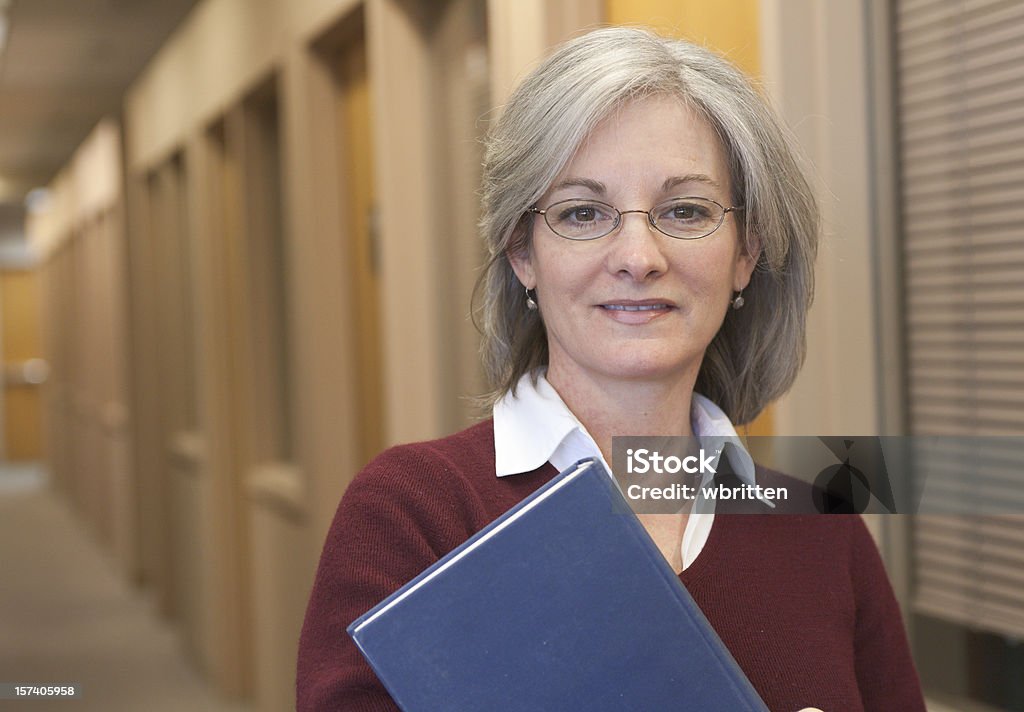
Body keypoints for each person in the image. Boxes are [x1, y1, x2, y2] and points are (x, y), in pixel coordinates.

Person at [297, 27, 926, 711]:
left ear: (746, 252)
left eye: (685, 210)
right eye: (583, 213)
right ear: (522, 253)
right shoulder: (413, 514)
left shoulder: (825, 536)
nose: (637, 256)